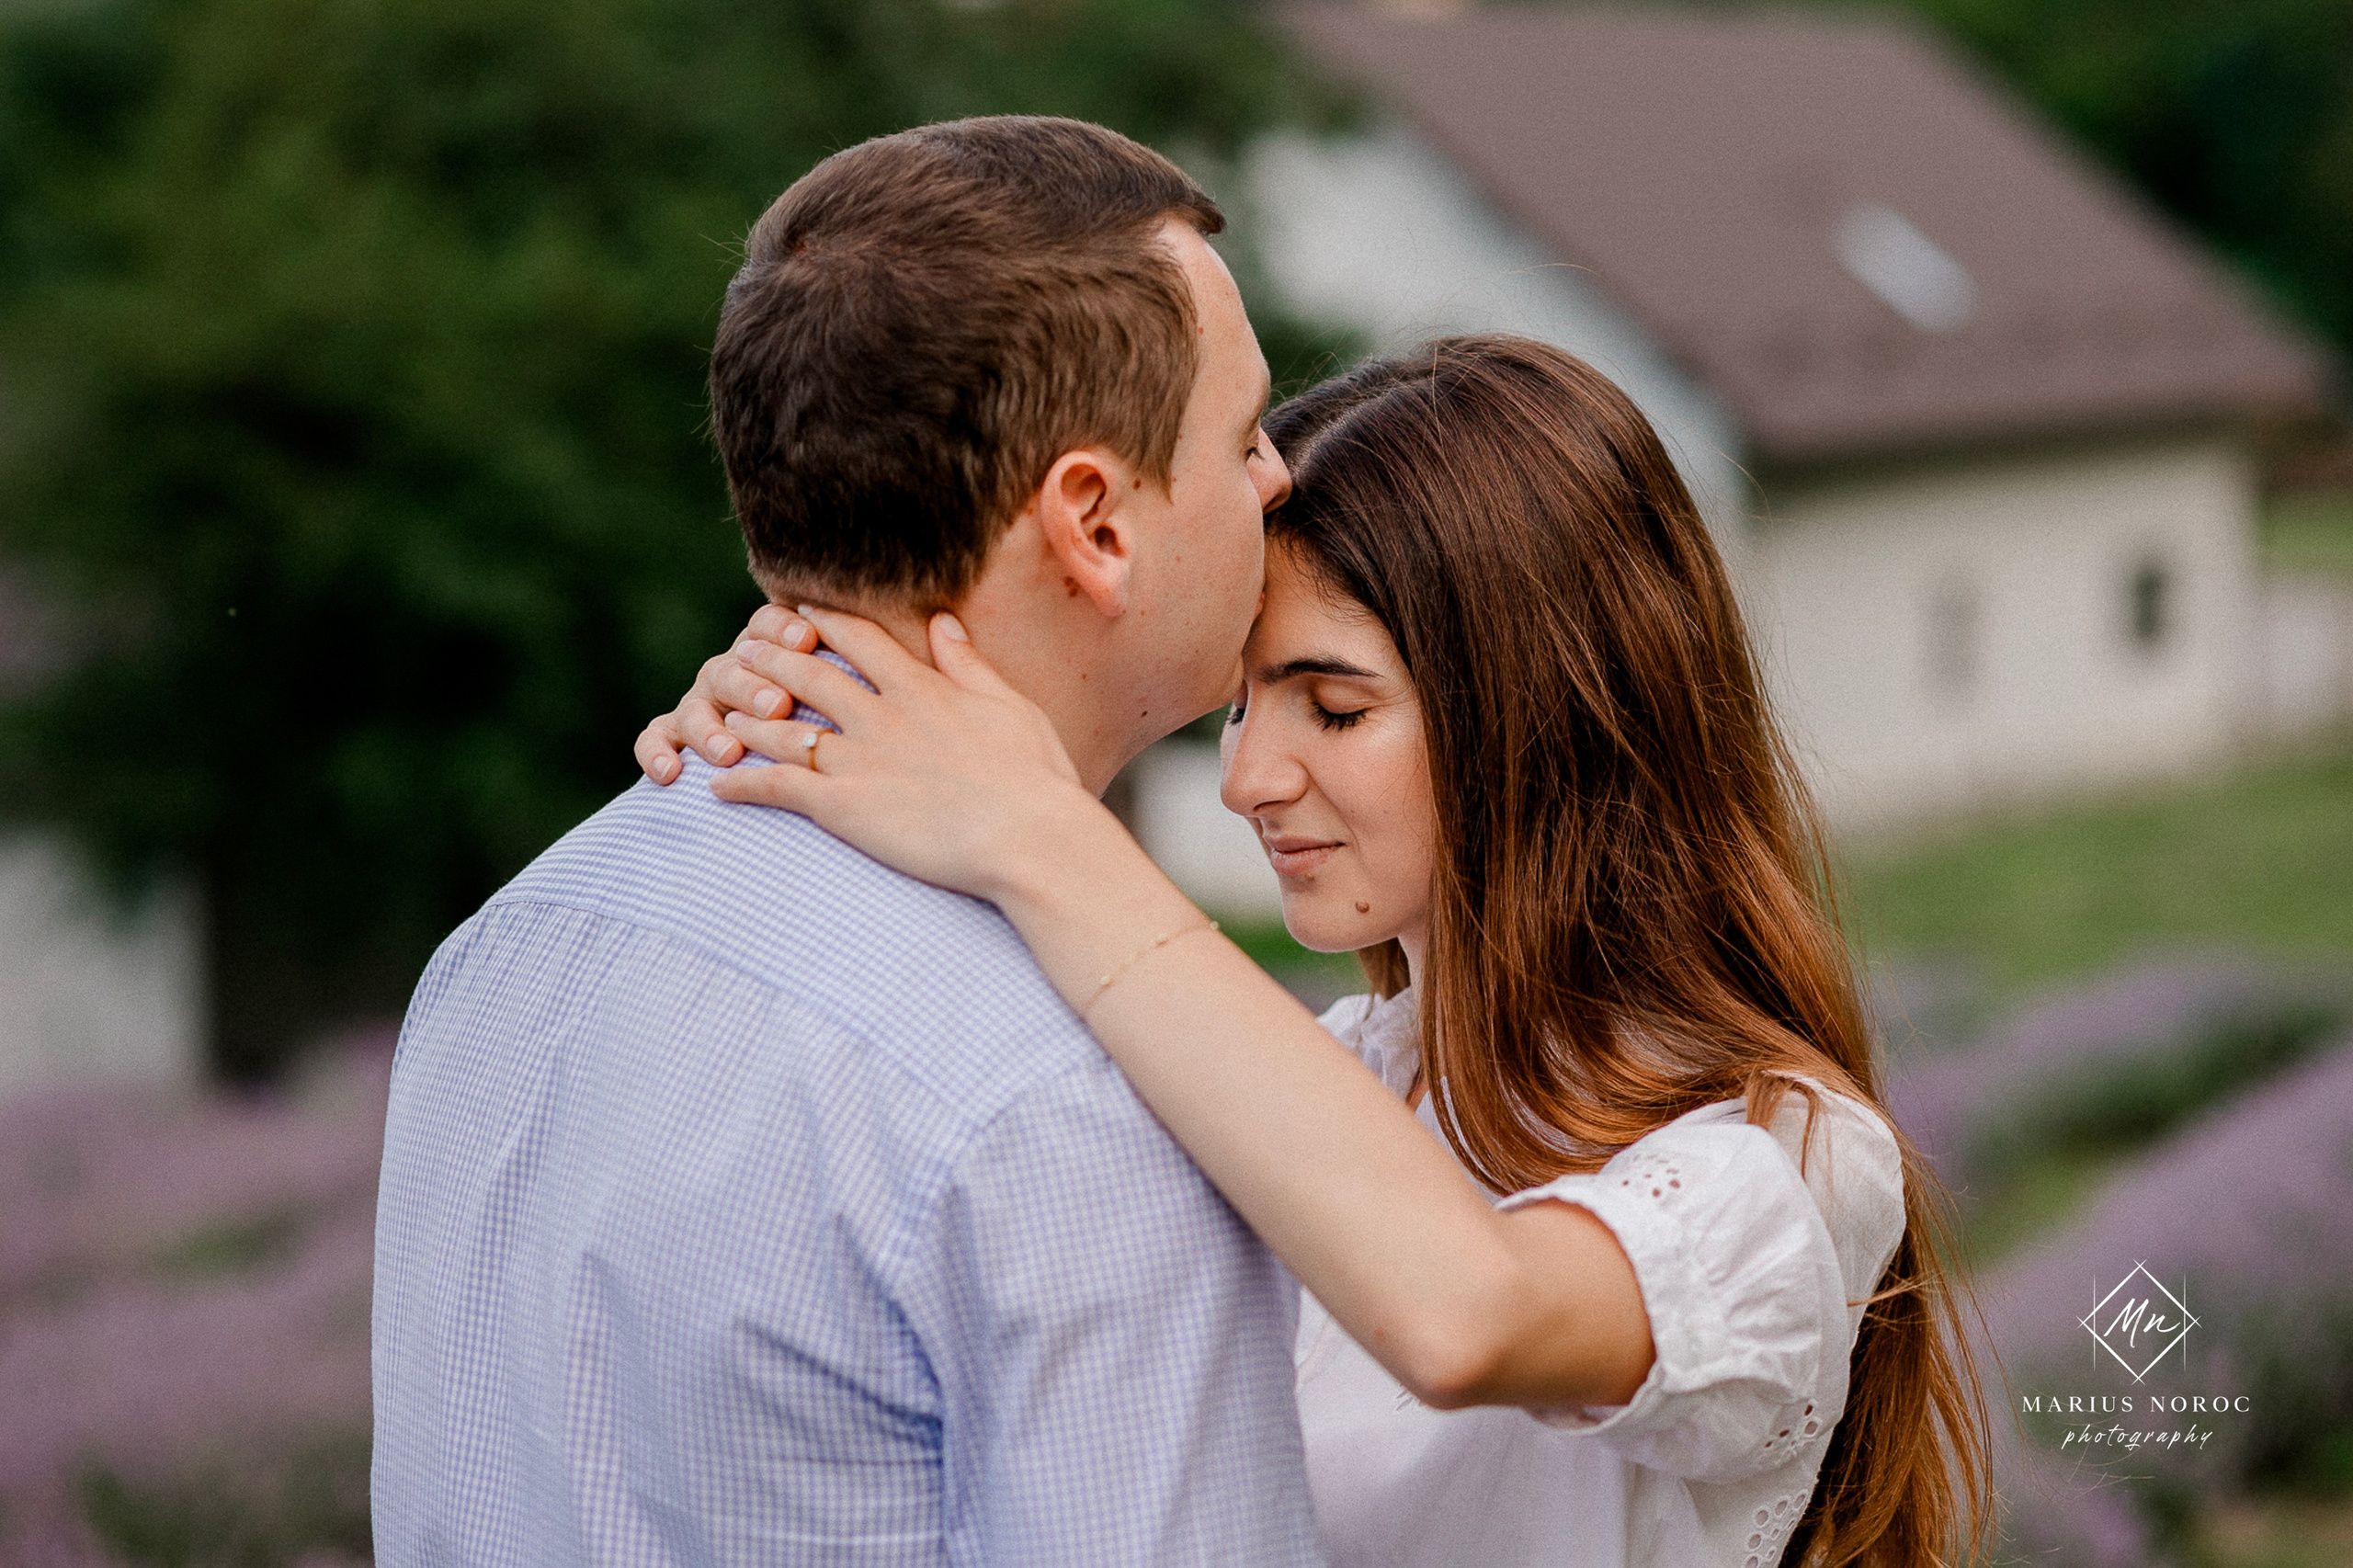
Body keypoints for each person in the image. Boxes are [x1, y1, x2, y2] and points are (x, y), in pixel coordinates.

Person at [638, 336, 1993, 1566]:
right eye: (1240, 703)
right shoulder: (1326, 1070)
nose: (1247, 778)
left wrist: (1042, 831)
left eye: (1333, 709)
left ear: (1551, 715)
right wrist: (813, 699)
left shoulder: (1781, 1155)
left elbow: (1468, 1316)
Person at [370, 118, 1328, 1565]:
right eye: (1247, 431)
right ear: (1095, 523)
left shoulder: (503, 946)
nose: (1277, 480)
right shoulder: (1084, 1092)